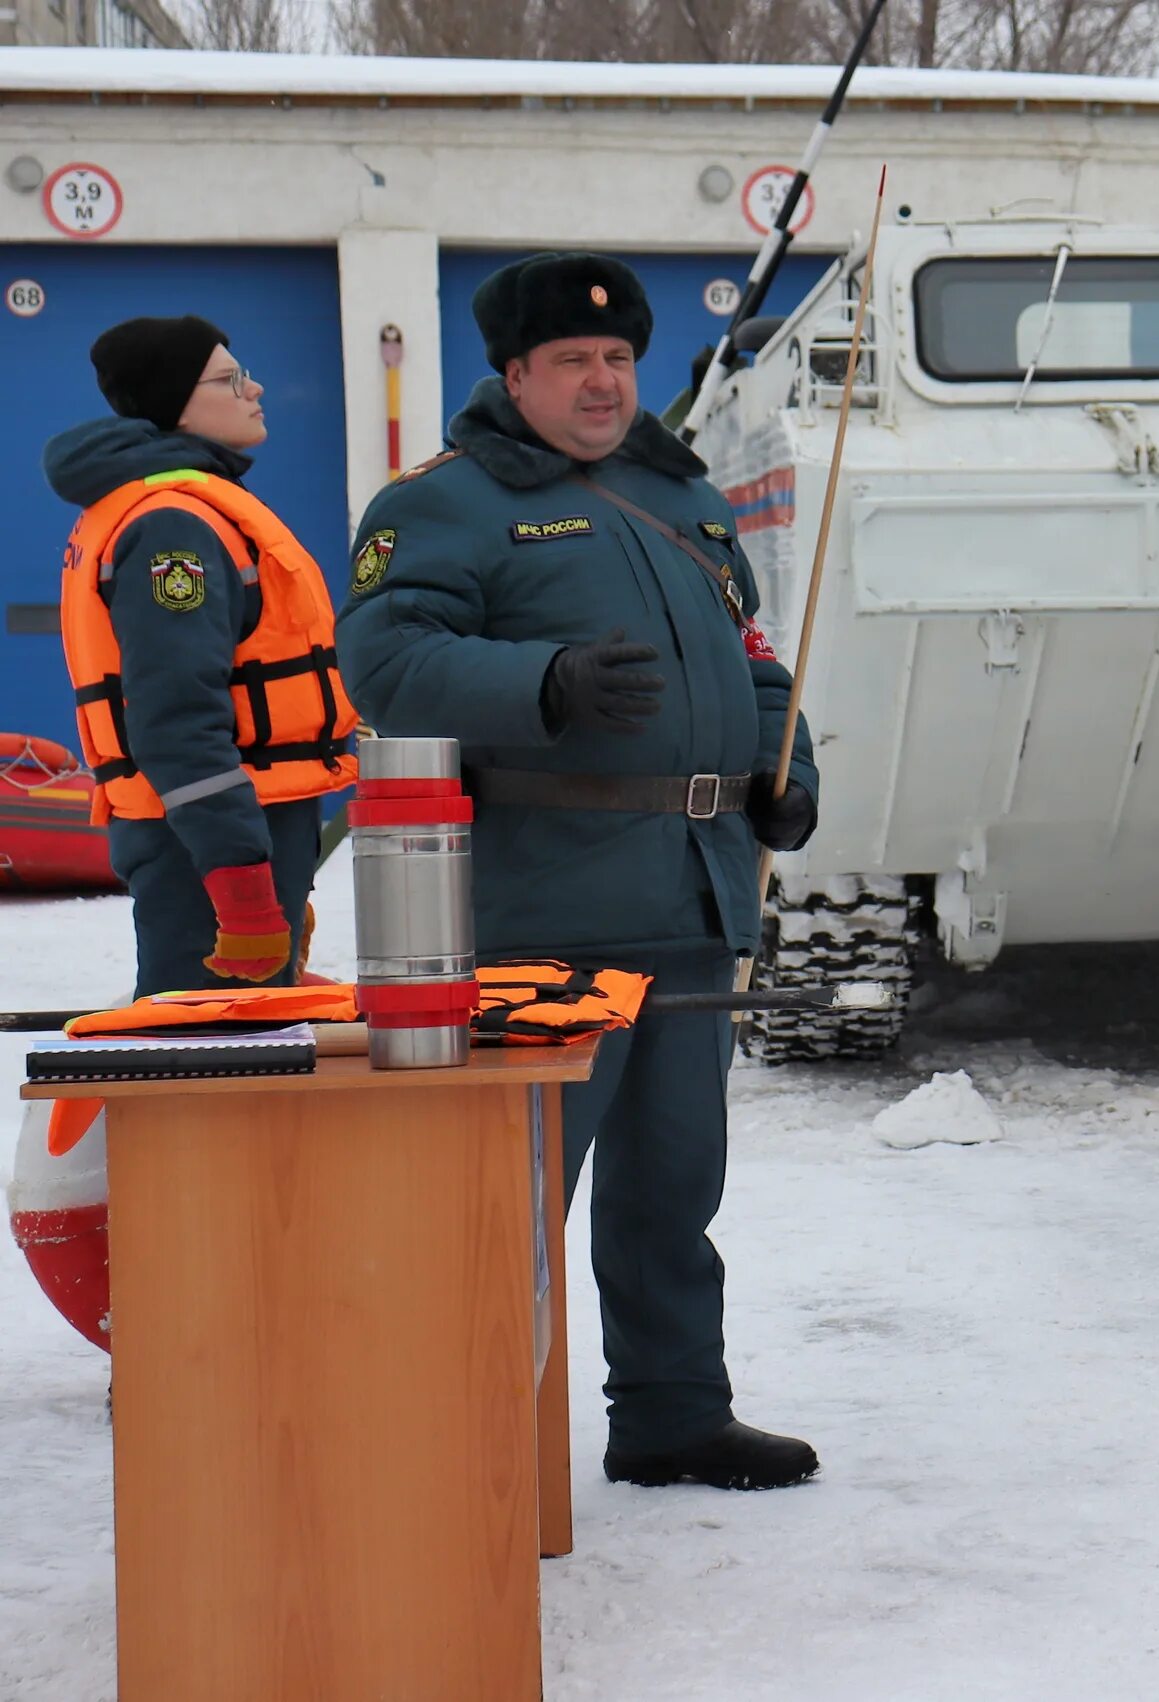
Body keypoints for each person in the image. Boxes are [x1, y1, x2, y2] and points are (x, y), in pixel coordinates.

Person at [335, 253, 822, 1492]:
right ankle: (452, 1431)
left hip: (697, 895)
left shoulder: (684, 491)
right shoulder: (441, 505)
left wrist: (784, 761)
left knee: (674, 1187)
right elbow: (385, 664)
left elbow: (758, 656)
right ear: (515, 374)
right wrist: (540, 683)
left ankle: (670, 1412)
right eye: (572, 361)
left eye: (617, 359)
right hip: (547, 902)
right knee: (509, 1200)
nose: (602, 381)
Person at [49, 316, 357, 998]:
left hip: (232, 836)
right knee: (209, 1065)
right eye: (229, 379)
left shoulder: (187, 505)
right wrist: (241, 886)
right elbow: (176, 718)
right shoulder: (171, 528)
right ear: (174, 405)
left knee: (248, 1066)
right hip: (202, 854)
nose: (255, 388)